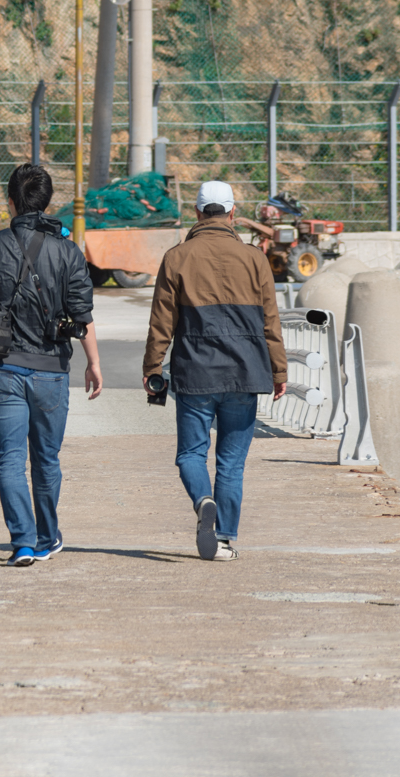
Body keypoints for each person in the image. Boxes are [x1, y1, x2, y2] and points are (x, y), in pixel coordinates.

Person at [0, 163, 103, 567]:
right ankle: (46, 537)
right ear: (47, 201)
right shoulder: (68, 251)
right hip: (51, 370)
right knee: (47, 459)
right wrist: (93, 362)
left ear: (10, 201)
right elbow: (82, 313)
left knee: (10, 458)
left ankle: (21, 543)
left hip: (3, 368)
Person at [142, 180, 287, 561]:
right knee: (231, 464)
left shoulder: (177, 257)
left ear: (197, 212)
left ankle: (202, 500)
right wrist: (279, 371)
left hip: (195, 372)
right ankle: (222, 539)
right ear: (233, 213)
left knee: (191, 454)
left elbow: (162, 321)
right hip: (245, 372)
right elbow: (270, 321)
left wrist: (153, 366)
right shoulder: (255, 259)